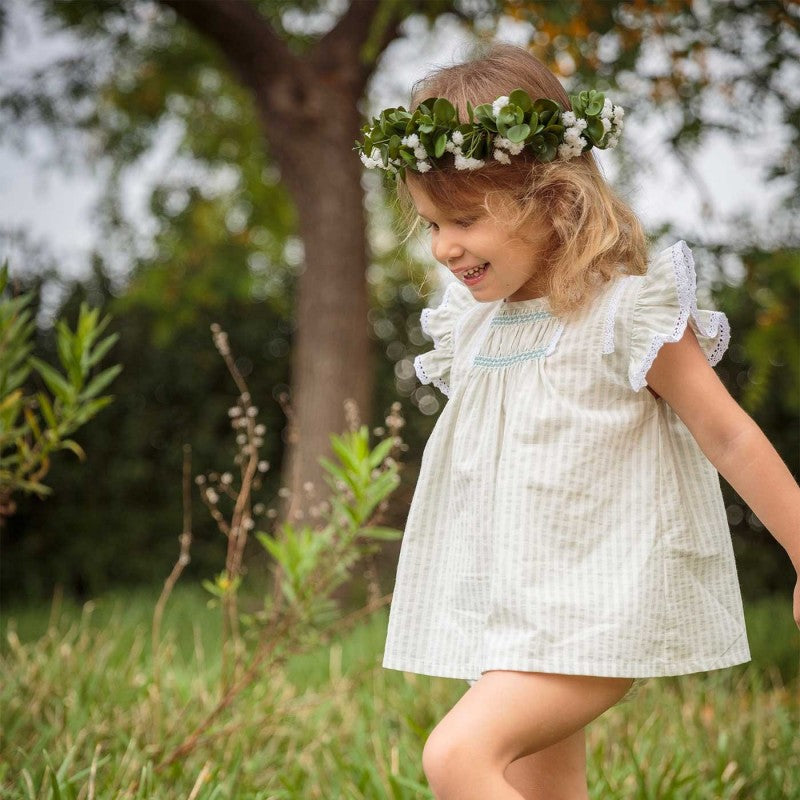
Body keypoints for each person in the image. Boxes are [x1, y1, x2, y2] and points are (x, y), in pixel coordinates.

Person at [355, 41, 800, 800]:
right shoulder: (476, 325)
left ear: (556, 198)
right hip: (512, 615)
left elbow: (726, 432)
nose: (444, 246)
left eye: (463, 218)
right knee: (545, 790)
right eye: (431, 224)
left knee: (457, 758)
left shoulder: (629, 313)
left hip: (591, 613)